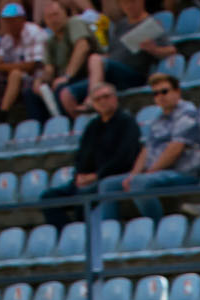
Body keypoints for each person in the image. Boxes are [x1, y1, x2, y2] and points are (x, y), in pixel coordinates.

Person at [43, 77, 143, 222]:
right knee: (49, 198)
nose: (103, 101)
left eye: (106, 97)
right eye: (98, 99)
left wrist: (96, 176)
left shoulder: (127, 123)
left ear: (115, 98)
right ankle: (67, 233)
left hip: (110, 176)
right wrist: (79, 176)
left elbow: (125, 157)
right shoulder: (92, 126)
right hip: (87, 178)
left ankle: (84, 235)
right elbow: (81, 155)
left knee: (84, 194)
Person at [111, 72, 200, 217]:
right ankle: (103, 234)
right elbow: (146, 150)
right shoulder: (158, 119)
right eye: (155, 94)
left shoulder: (188, 113)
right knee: (108, 185)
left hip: (183, 172)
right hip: (159, 173)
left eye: (164, 91)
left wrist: (150, 172)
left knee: (139, 183)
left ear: (177, 92)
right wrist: (133, 175)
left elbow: (175, 149)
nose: (160, 96)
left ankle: (156, 227)